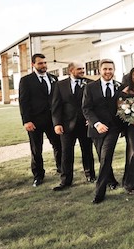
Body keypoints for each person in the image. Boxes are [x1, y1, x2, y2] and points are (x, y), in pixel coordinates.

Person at [18, 53, 62, 187]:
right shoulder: (26, 80)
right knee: (36, 149)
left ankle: (62, 169)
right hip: (34, 121)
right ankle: (38, 175)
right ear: (33, 65)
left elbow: (58, 100)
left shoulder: (54, 78)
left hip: (52, 121)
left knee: (58, 145)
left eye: (44, 63)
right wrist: (26, 121)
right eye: (40, 63)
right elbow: (23, 102)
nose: (43, 65)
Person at [83, 59, 123, 204]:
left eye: (110, 69)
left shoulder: (120, 87)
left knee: (105, 158)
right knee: (102, 158)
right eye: (105, 69)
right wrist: (97, 123)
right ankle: (112, 181)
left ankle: (99, 193)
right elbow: (86, 108)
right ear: (100, 70)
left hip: (113, 128)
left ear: (114, 70)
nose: (108, 72)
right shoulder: (90, 87)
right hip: (96, 129)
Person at [50, 61, 95, 191]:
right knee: (66, 153)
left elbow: (93, 103)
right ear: (71, 70)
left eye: (83, 68)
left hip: (85, 124)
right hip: (66, 125)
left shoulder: (90, 83)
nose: (82, 71)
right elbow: (56, 106)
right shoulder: (60, 85)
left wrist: (91, 120)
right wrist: (57, 123)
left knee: (87, 151)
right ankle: (65, 180)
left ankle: (90, 175)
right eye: (79, 69)